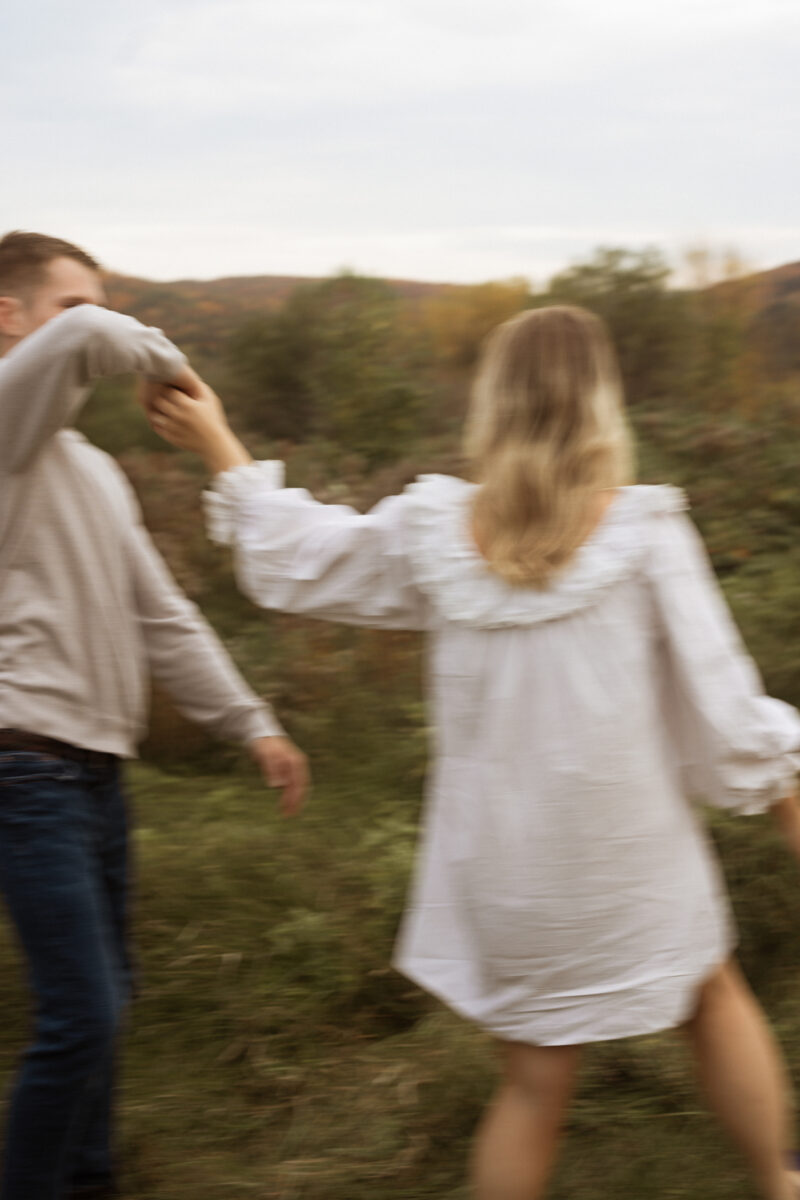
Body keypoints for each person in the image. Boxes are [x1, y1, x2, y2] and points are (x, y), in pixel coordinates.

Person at [146, 304, 800, 1200]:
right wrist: (784, 793)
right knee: (711, 995)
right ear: (601, 404)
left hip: (509, 876)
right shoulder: (648, 535)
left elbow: (301, 556)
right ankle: (777, 1184)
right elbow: (724, 702)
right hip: (628, 856)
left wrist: (219, 441)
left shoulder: (434, 534)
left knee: (534, 1085)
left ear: (495, 401)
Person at [0, 231, 308, 1200]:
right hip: (22, 764)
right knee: (83, 1013)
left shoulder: (92, 468)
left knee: (110, 1002)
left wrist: (251, 722)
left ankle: (91, 1182)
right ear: (7, 316)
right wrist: (170, 369)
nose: (90, 322)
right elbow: (85, 337)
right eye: (70, 303)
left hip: (96, 773)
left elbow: (160, 616)